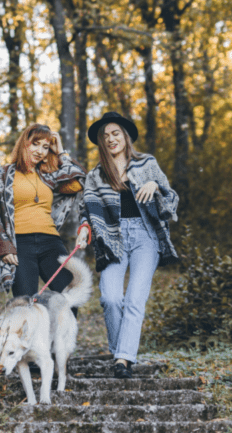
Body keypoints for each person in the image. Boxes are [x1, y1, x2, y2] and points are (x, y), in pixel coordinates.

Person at [75, 111, 179, 379]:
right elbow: (87, 210)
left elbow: (171, 197)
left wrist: (155, 184)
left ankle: (122, 359)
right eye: (106, 136)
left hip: (146, 237)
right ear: (101, 142)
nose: (111, 139)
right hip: (112, 238)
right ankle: (120, 350)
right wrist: (84, 229)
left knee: (135, 299)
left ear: (125, 136)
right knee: (110, 298)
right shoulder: (96, 175)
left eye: (115, 133)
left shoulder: (146, 163)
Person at [0, 123, 86, 299]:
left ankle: (59, 328)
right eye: (36, 143)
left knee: (69, 296)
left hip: (51, 243)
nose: (40, 150)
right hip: (20, 245)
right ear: (25, 143)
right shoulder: (3, 175)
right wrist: (5, 247)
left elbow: (78, 182)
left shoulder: (49, 176)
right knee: (25, 302)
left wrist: (61, 152)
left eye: (45, 147)